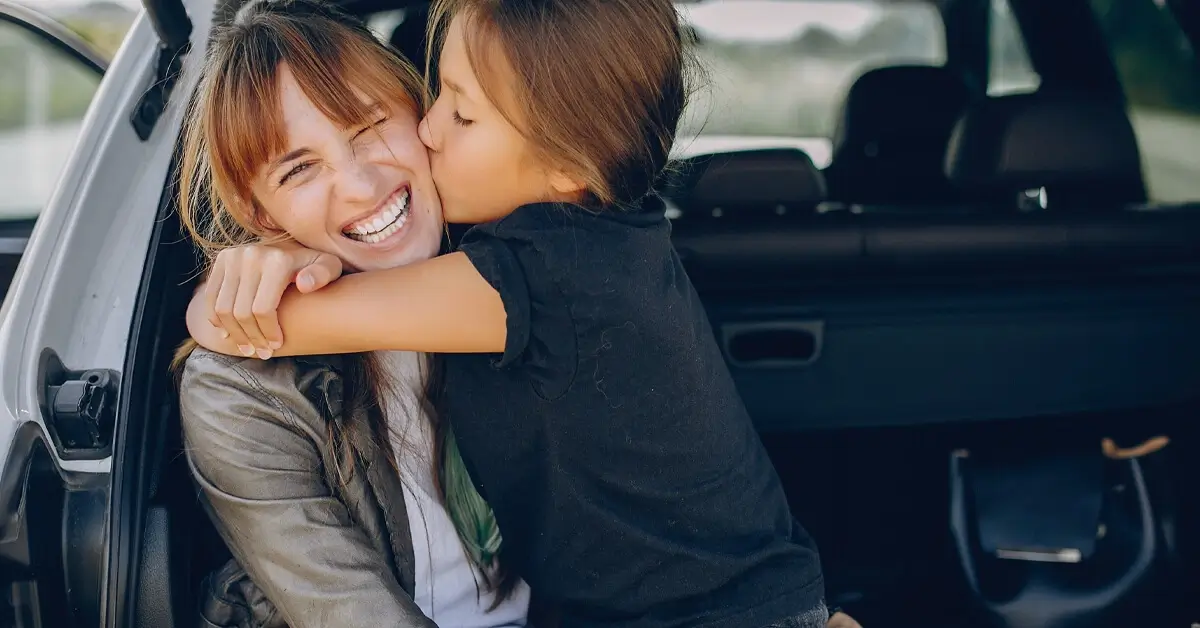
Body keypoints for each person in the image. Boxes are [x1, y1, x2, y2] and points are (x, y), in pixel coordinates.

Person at [188, 0, 833, 626]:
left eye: (460, 114)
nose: (432, 130)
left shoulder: (538, 273)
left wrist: (259, 277)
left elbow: (231, 324)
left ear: (567, 166)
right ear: (257, 210)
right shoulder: (606, 237)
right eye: (300, 169)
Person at [173, 1, 530, 626]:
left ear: (424, 115)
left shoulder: (519, 264)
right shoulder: (236, 391)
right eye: (300, 169)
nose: (361, 185)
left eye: (368, 128)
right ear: (260, 215)